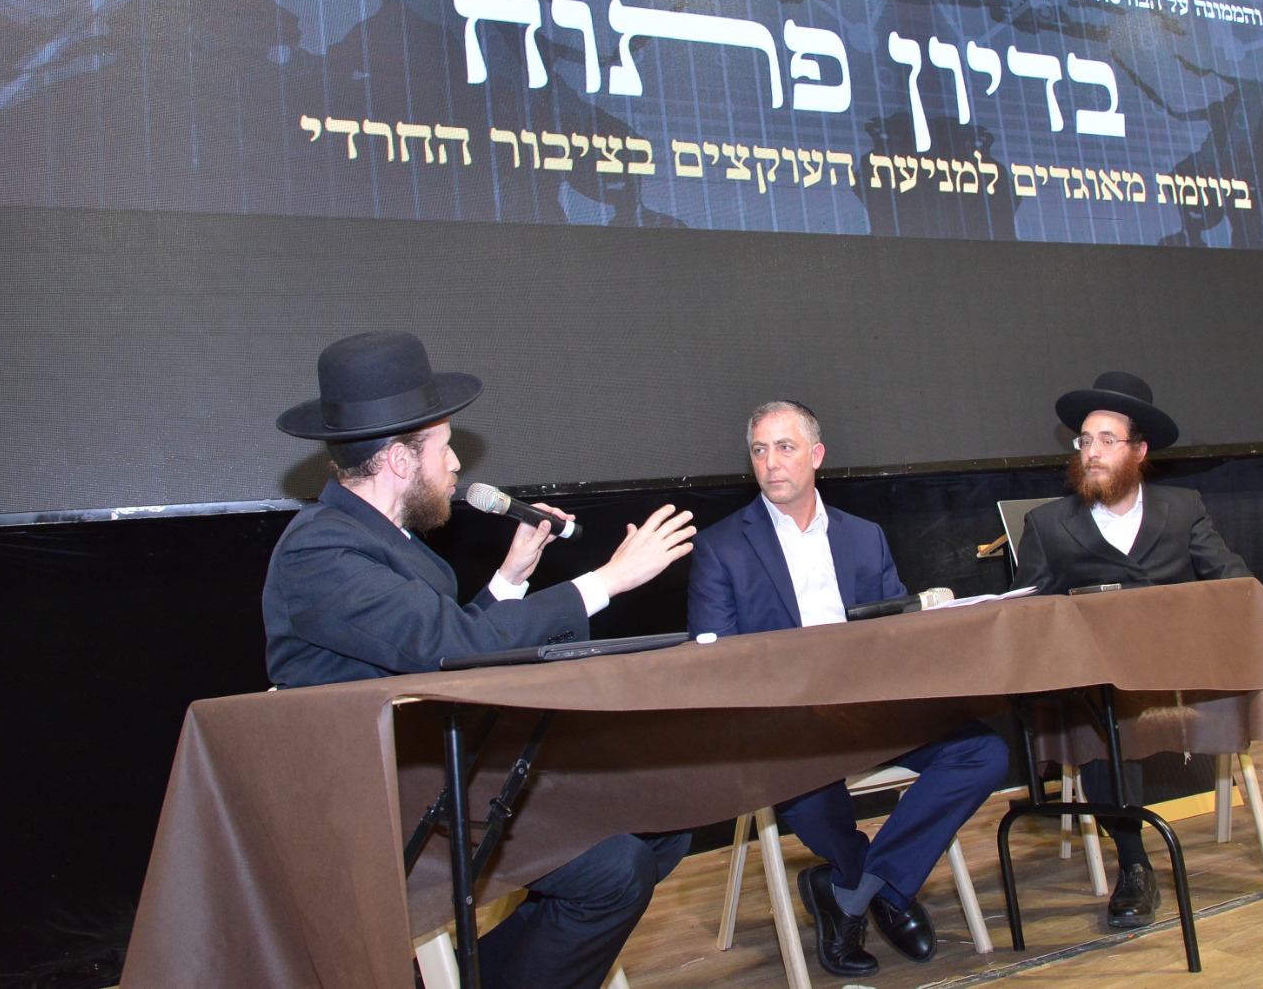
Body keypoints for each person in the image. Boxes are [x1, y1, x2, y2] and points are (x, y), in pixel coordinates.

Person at [262, 330, 696, 989]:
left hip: (444, 778)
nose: (457, 464)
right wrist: (606, 581)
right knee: (616, 872)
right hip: (381, 809)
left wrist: (510, 577)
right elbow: (454, 648)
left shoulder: (385, 542)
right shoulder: (320, 552)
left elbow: (442, 645)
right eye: (444, 448)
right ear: (399, 461)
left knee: (667, 822)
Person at [1011, 371, 1263, 929]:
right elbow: (1029, 614)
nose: (1091, 452)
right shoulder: (1048, 525)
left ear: (1139, 451)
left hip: (1193, 673)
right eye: (1084, 440)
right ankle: (1134, 868)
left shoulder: (1183, 508)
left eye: (1107, 440)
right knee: (1098, 713)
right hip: (1108, 684)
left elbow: (1233, 581)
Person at [687, 400, 1008, 978]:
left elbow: (896, 637)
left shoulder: (864, 537)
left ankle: (855, 892)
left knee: (984, 752)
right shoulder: (722, 546)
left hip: (874, 709)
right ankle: (875, 883)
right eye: (759, 450)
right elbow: (715, 668)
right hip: (788, 720)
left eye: (785, 447)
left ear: (816, 456)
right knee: (802, 775)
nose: (770, 462)